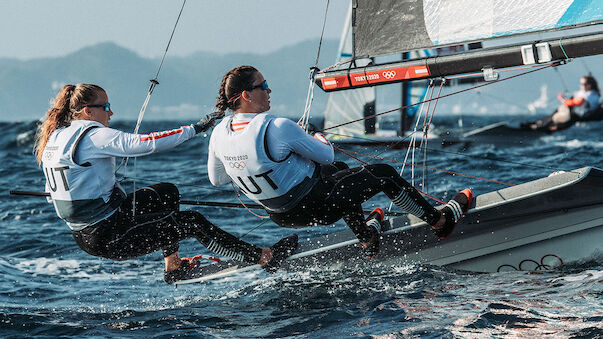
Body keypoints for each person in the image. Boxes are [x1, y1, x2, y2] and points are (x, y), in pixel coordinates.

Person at [34, 84, 297, 284]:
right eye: (106, 106)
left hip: (88, 231)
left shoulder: (57, 138)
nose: (111, 111)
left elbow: (54, 194)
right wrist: (195, 128)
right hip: (109, 235)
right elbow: (145, 144)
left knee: (165, 192)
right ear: (87, 111)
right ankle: (264, 257)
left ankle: (173, 264)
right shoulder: (93, 134)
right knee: (192, 221)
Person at [207, 66, 473, 257]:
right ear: (246, 95)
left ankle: (367, 238)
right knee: (383, 173)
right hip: (319, 207)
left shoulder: (219, 133)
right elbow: (326, 154)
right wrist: (316, 137)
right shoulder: (277, 126)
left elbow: (217, 179)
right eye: (263, 86)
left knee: (340, 171)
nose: (269, 90)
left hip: (281, 217)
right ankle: (440, 221)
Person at [522, 75, 601, 132]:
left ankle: (534, 127)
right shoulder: (591, 93)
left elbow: (574, 102)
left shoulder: (590, 95)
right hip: (571, 115)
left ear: (589, 85)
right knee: (552, 118)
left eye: (582, 84)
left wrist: (562, 98)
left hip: (571, 114)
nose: (580, 86)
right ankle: (537, 125)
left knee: (552, 120)